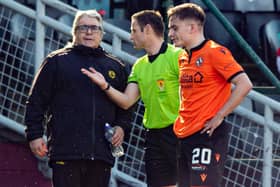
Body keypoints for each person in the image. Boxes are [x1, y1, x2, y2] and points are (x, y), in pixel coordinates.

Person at [24, 9, 132, 187]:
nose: (89, 32)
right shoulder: (56, 61)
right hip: (65, 152)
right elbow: (36, 102)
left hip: (101, 154)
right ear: (74, 31)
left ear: (102, 33)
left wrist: (121, 126)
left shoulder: (115, 66)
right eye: (83, 28)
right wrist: (34, 135)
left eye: (94, 28)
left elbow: (127, 104)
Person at [81, 10, 183, 187]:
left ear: (148, 29)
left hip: (180, 133)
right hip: (154, 137)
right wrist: (105, 85)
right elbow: (127, 100)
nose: (130, 36)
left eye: (134, 30)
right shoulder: (140, 64)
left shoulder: (178, 56)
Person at [167, 3, 253, 187]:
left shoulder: (215, 52)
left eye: (174, 28)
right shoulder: (182, 57)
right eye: (169, 29)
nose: (170, 34)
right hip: (184, 135)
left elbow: (245, 84)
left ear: (192, 27)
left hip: (207, 134)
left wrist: (220, 116)